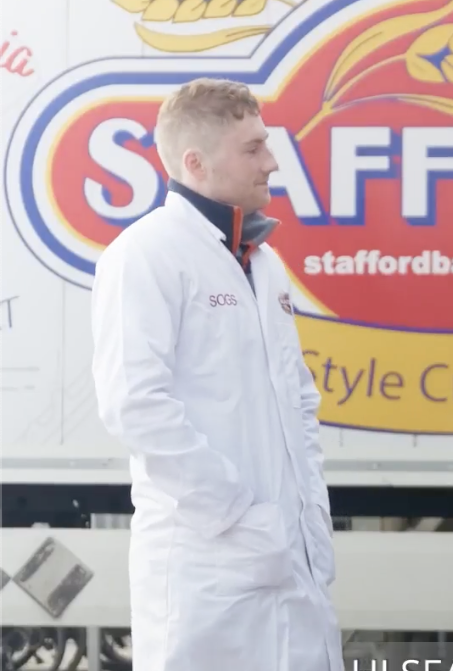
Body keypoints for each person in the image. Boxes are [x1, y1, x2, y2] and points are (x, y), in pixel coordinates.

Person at [91, 78, 342, 671]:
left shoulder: (265, 262)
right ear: (195, 162)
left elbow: (298, 402)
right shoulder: (146, 254)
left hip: (289, 559)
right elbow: (135, 406)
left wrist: (307, 521)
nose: (273, 162)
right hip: (207, 563)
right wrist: (237, 515)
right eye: (253, 148)